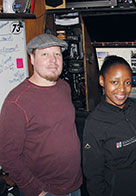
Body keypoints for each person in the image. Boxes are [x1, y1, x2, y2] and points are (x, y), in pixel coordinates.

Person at [0, 34, 82, 196]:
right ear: (32, 59)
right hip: (46, 191)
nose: (53, 60)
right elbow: (8, 157)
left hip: (74, 185)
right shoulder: (17, 102)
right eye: (45, 54)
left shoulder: (64, 87)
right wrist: (35, 189)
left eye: (57, 54)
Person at [82, 55, 136, 196]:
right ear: (102, 81)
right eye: (115, 82)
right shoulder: (95, 123)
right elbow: (93, 176)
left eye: (127, 83)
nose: (122, 90)